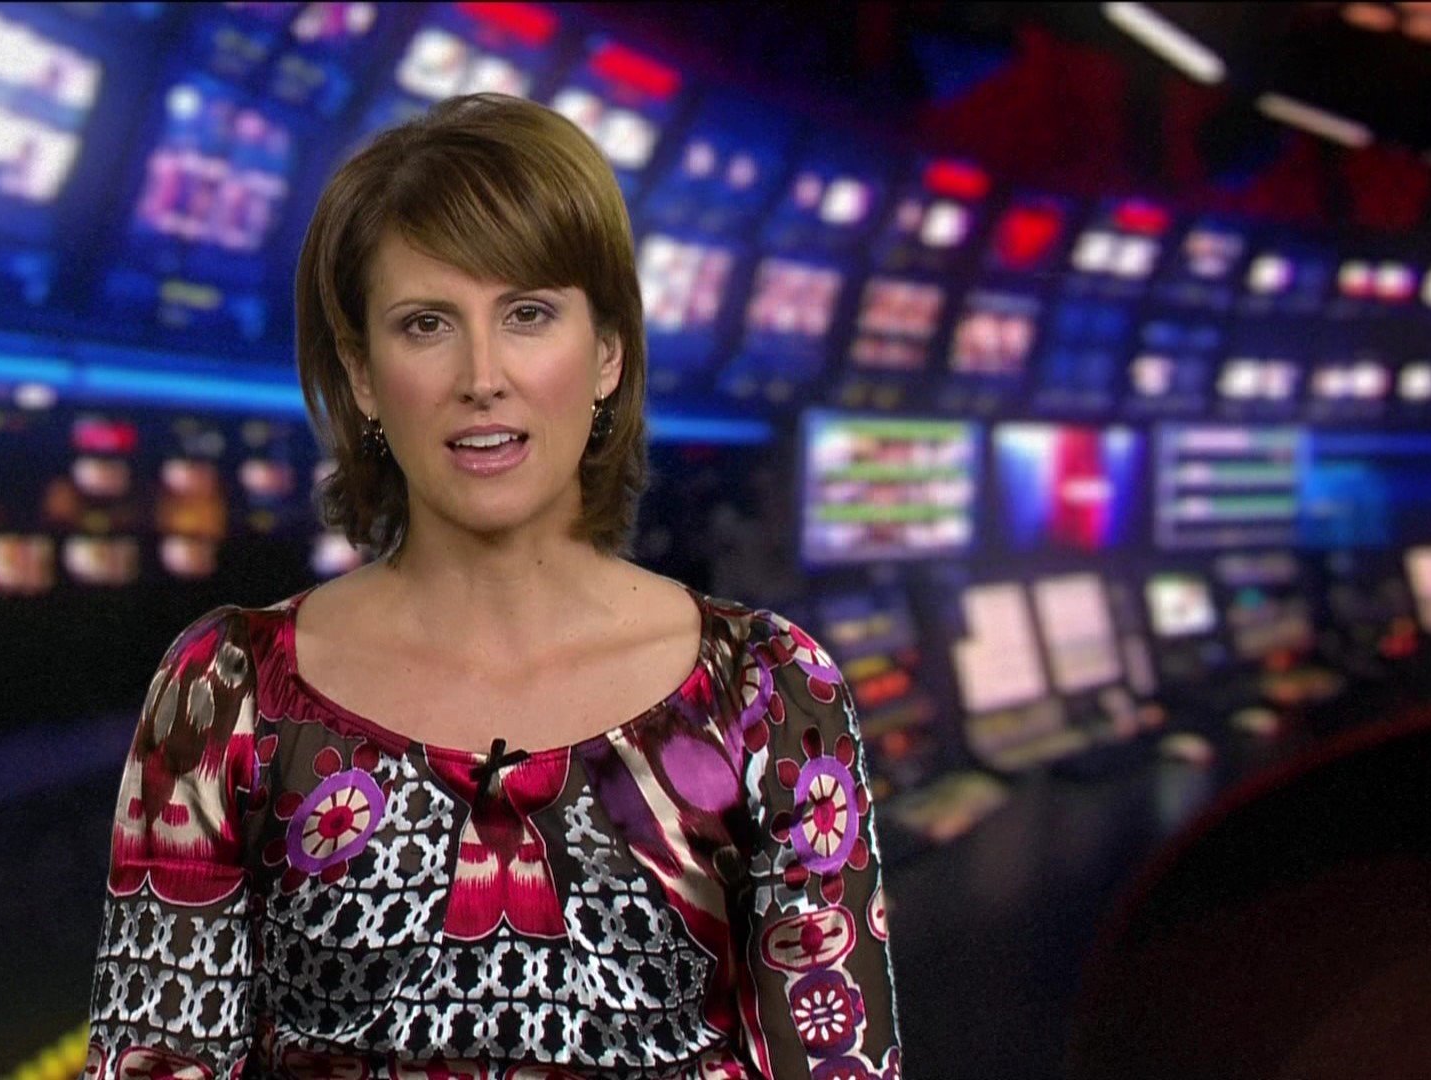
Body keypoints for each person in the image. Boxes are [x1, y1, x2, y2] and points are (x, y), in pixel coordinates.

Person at [83, 93, 903, 1080]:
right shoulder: (226, 690)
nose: (482, 375)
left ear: (607, 354)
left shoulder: (770, 692)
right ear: (363, 376)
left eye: (528, 314)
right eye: (427, 324)